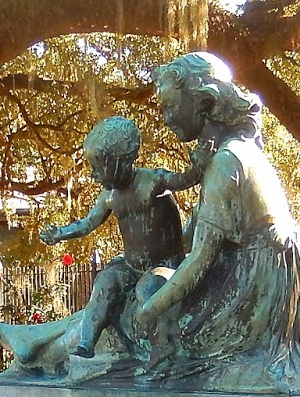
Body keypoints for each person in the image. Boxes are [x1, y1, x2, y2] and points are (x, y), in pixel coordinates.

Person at [130, 52, 300, 394]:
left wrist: (148, 311)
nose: (165, 118)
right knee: (151, 286)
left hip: (249, 294)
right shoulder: (235, 152)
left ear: (204, 102)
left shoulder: (227, 163)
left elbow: (199, 260)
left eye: (170, 106)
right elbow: (191, 243)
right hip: (252, 282)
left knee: (147, 302)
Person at [37, 116, 203, 358]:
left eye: (98, 167)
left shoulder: (152, 181)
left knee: (147, 290)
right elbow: (87, 224)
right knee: (104, 283)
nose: (93, 175)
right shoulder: (109, 196)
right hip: (130, 266)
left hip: (165, 265)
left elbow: (185, 180)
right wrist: (61, 233)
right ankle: (86, 342)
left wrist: (198, 164)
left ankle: (162, 346)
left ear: (121, 161)